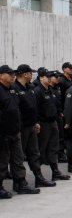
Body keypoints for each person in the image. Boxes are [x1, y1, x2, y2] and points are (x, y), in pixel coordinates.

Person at [0, 65, 40, 199]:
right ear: (1, 75)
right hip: (3, 132)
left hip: (15, 131)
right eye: (9, 74)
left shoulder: (12, 90)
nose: (12, 76)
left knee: (18, 160)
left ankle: (20, 184)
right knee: (2, 161)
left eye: (13, 74)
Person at [13, 65, 56, 188]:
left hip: (31, 125)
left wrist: (36, 121)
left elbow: (34, 107)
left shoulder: (31, 87)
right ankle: (19, 182)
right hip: (21, 127)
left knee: (34, 153)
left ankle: (39, 177)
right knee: (18, 156)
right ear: (25, 74)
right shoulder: (14, 88)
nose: (32, 75)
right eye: (30, 73)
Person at [34, 69, 71, 181]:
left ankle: (55, 172)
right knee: (40, 150)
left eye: (50, 76)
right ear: (41, 78)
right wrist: (37, 123)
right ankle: (38, 177)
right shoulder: (37, 91)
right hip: (43, 124)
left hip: (53, 122)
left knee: (54, 148)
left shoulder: (51, 90)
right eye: (47, 76)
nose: (50, 78)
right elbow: (36, 109)